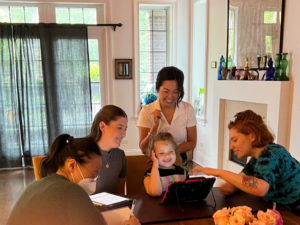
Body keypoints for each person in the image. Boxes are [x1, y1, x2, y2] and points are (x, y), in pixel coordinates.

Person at [7, 134, 140, 225]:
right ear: (72, 165)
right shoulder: (72, 191)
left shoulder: (38, 185)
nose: (95, 180)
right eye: (93, 174)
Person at [193, 110, 300, 217]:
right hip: (280, 211)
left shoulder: (271, 154)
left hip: (294, 215)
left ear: (252, 136)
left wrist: (219, 172)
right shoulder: (256, 158)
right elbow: (243, 178)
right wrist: (232, 186)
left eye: (234, 140)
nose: (231, 146)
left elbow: (260, 188)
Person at [137, 66, 197, 167]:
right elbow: (143, 148)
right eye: (166, 91)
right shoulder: (147, 111)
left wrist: (169, 153)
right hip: (155, 162)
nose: (170, 96)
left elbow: (192, 142)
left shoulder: (187, 109)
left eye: (175, 92)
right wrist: (154, 127)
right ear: (157, 89)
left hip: (179, 160)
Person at [87, 105, 128, 195]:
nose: (124, 134)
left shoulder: (120, 156)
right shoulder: (83, 153)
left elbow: (120, 195)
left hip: (112, 208)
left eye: (125, 129)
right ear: (102, 126)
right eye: (120, 127)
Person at [143, 132, 188, 197]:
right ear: (153, 155)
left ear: (175, 151)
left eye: (170, 151)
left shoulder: (182, 172)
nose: (167, 156)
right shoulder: (149, 174)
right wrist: (155, 164)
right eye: (161, 153)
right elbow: (155, 192)